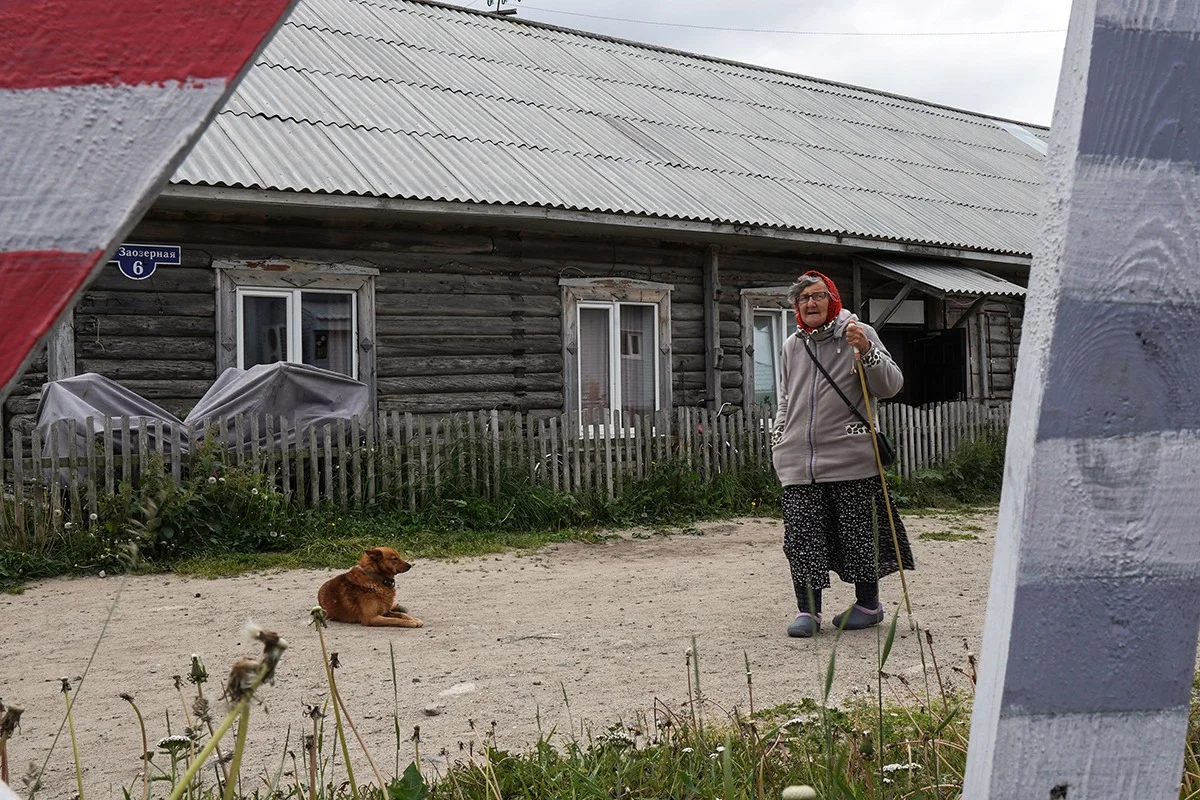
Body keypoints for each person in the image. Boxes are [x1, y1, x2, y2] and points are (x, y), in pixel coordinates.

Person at [770, 270, 914, 638]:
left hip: (851, 457)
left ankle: (868, 605)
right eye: (803, 298)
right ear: (796, 306)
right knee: (801, 538)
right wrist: (779, 438)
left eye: (818, 296)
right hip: (800, 461)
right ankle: (809, 612)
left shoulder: (856, 333)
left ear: (832, 299)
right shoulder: (792, 345)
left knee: (858, 536)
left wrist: (866, 351)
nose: (810, 303)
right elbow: (786, 398)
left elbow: (891, 385)